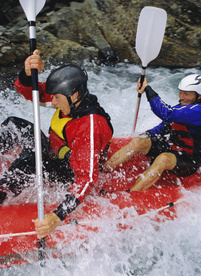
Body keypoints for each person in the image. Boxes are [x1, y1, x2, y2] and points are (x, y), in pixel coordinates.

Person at [0, 49, 113, 238]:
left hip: (67, 170)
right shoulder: (71, 98)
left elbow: (86, 179)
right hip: (54, 150)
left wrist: (56, 217)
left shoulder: (91, 126)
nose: (51, 102)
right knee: (13, 125)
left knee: (30, 160)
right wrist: (27, 75)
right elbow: (33, 93)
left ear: (74, 95)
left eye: (56, 98)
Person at [103, 74, 201, 191]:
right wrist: (144, 137)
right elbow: (163, 128)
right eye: (180, 92)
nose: (181, 96)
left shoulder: (197, 111)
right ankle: (103, 170)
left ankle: (132, 193)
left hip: (189, 160)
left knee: (163, 158)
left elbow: (166, 113)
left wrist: (147, 89)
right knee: (138, 142)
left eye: (186, 94)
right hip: (171, 147)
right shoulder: (183, 107)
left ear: (199, 96)